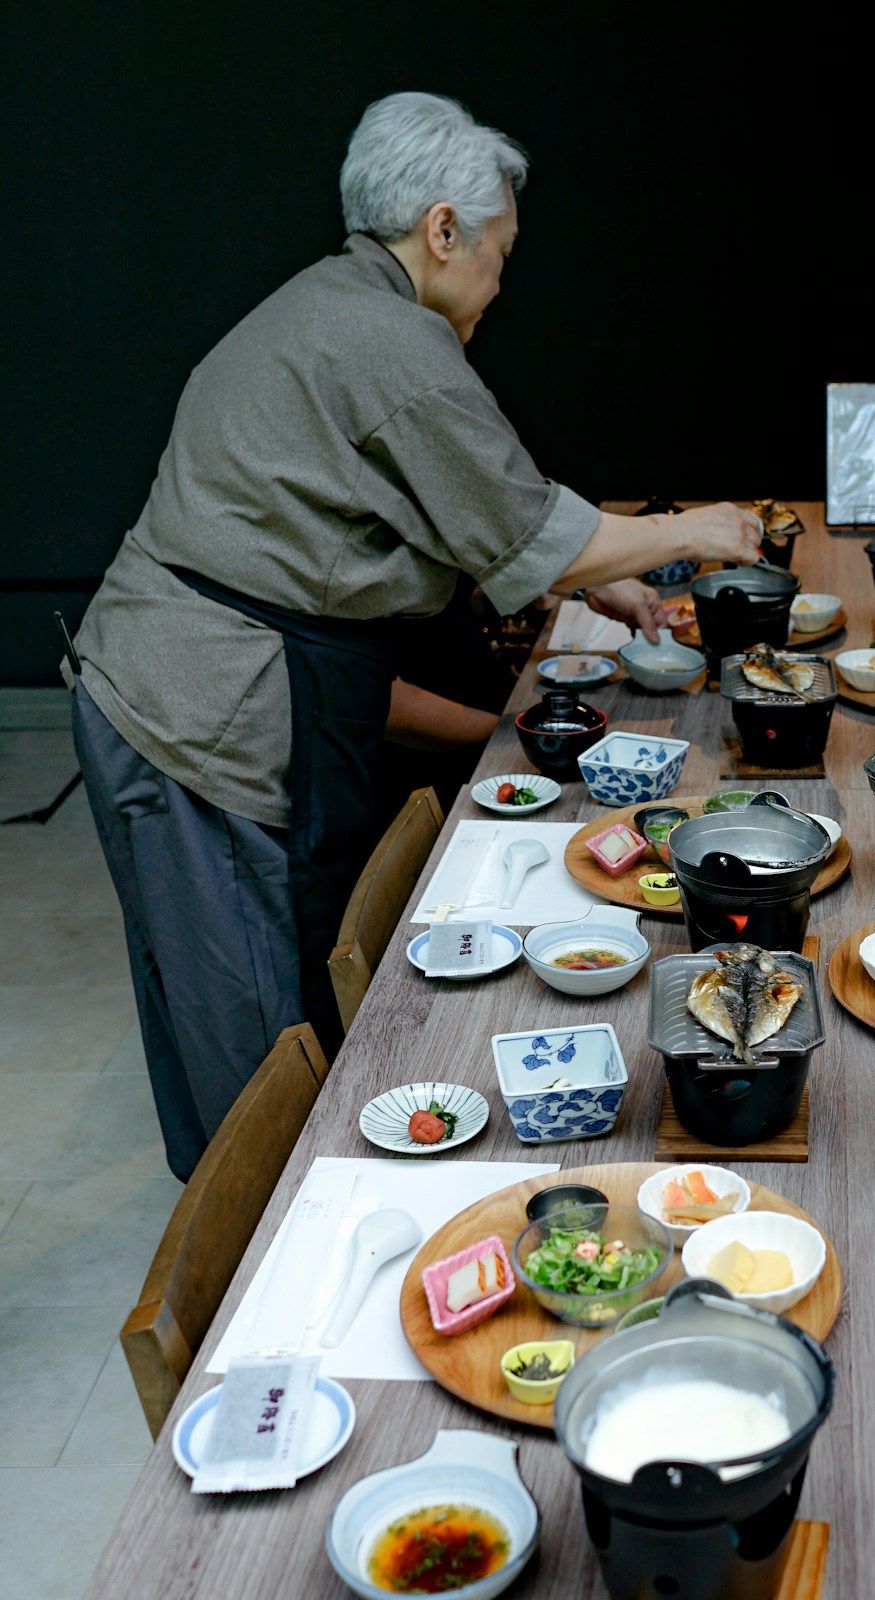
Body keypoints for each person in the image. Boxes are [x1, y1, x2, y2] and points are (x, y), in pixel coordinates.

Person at [69, 91, 762, 1180]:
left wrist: (607, 577)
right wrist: (705, 529)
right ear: (442, 229)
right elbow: (530, 529)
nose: (498, 282)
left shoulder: (336, 304)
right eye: (497, 253)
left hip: (194, 672)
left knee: (253, 977)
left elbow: (485, 511)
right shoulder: (392, 336)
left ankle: (267, 1214)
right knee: (249, 1011)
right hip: (197, 693)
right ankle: (267, 1269)